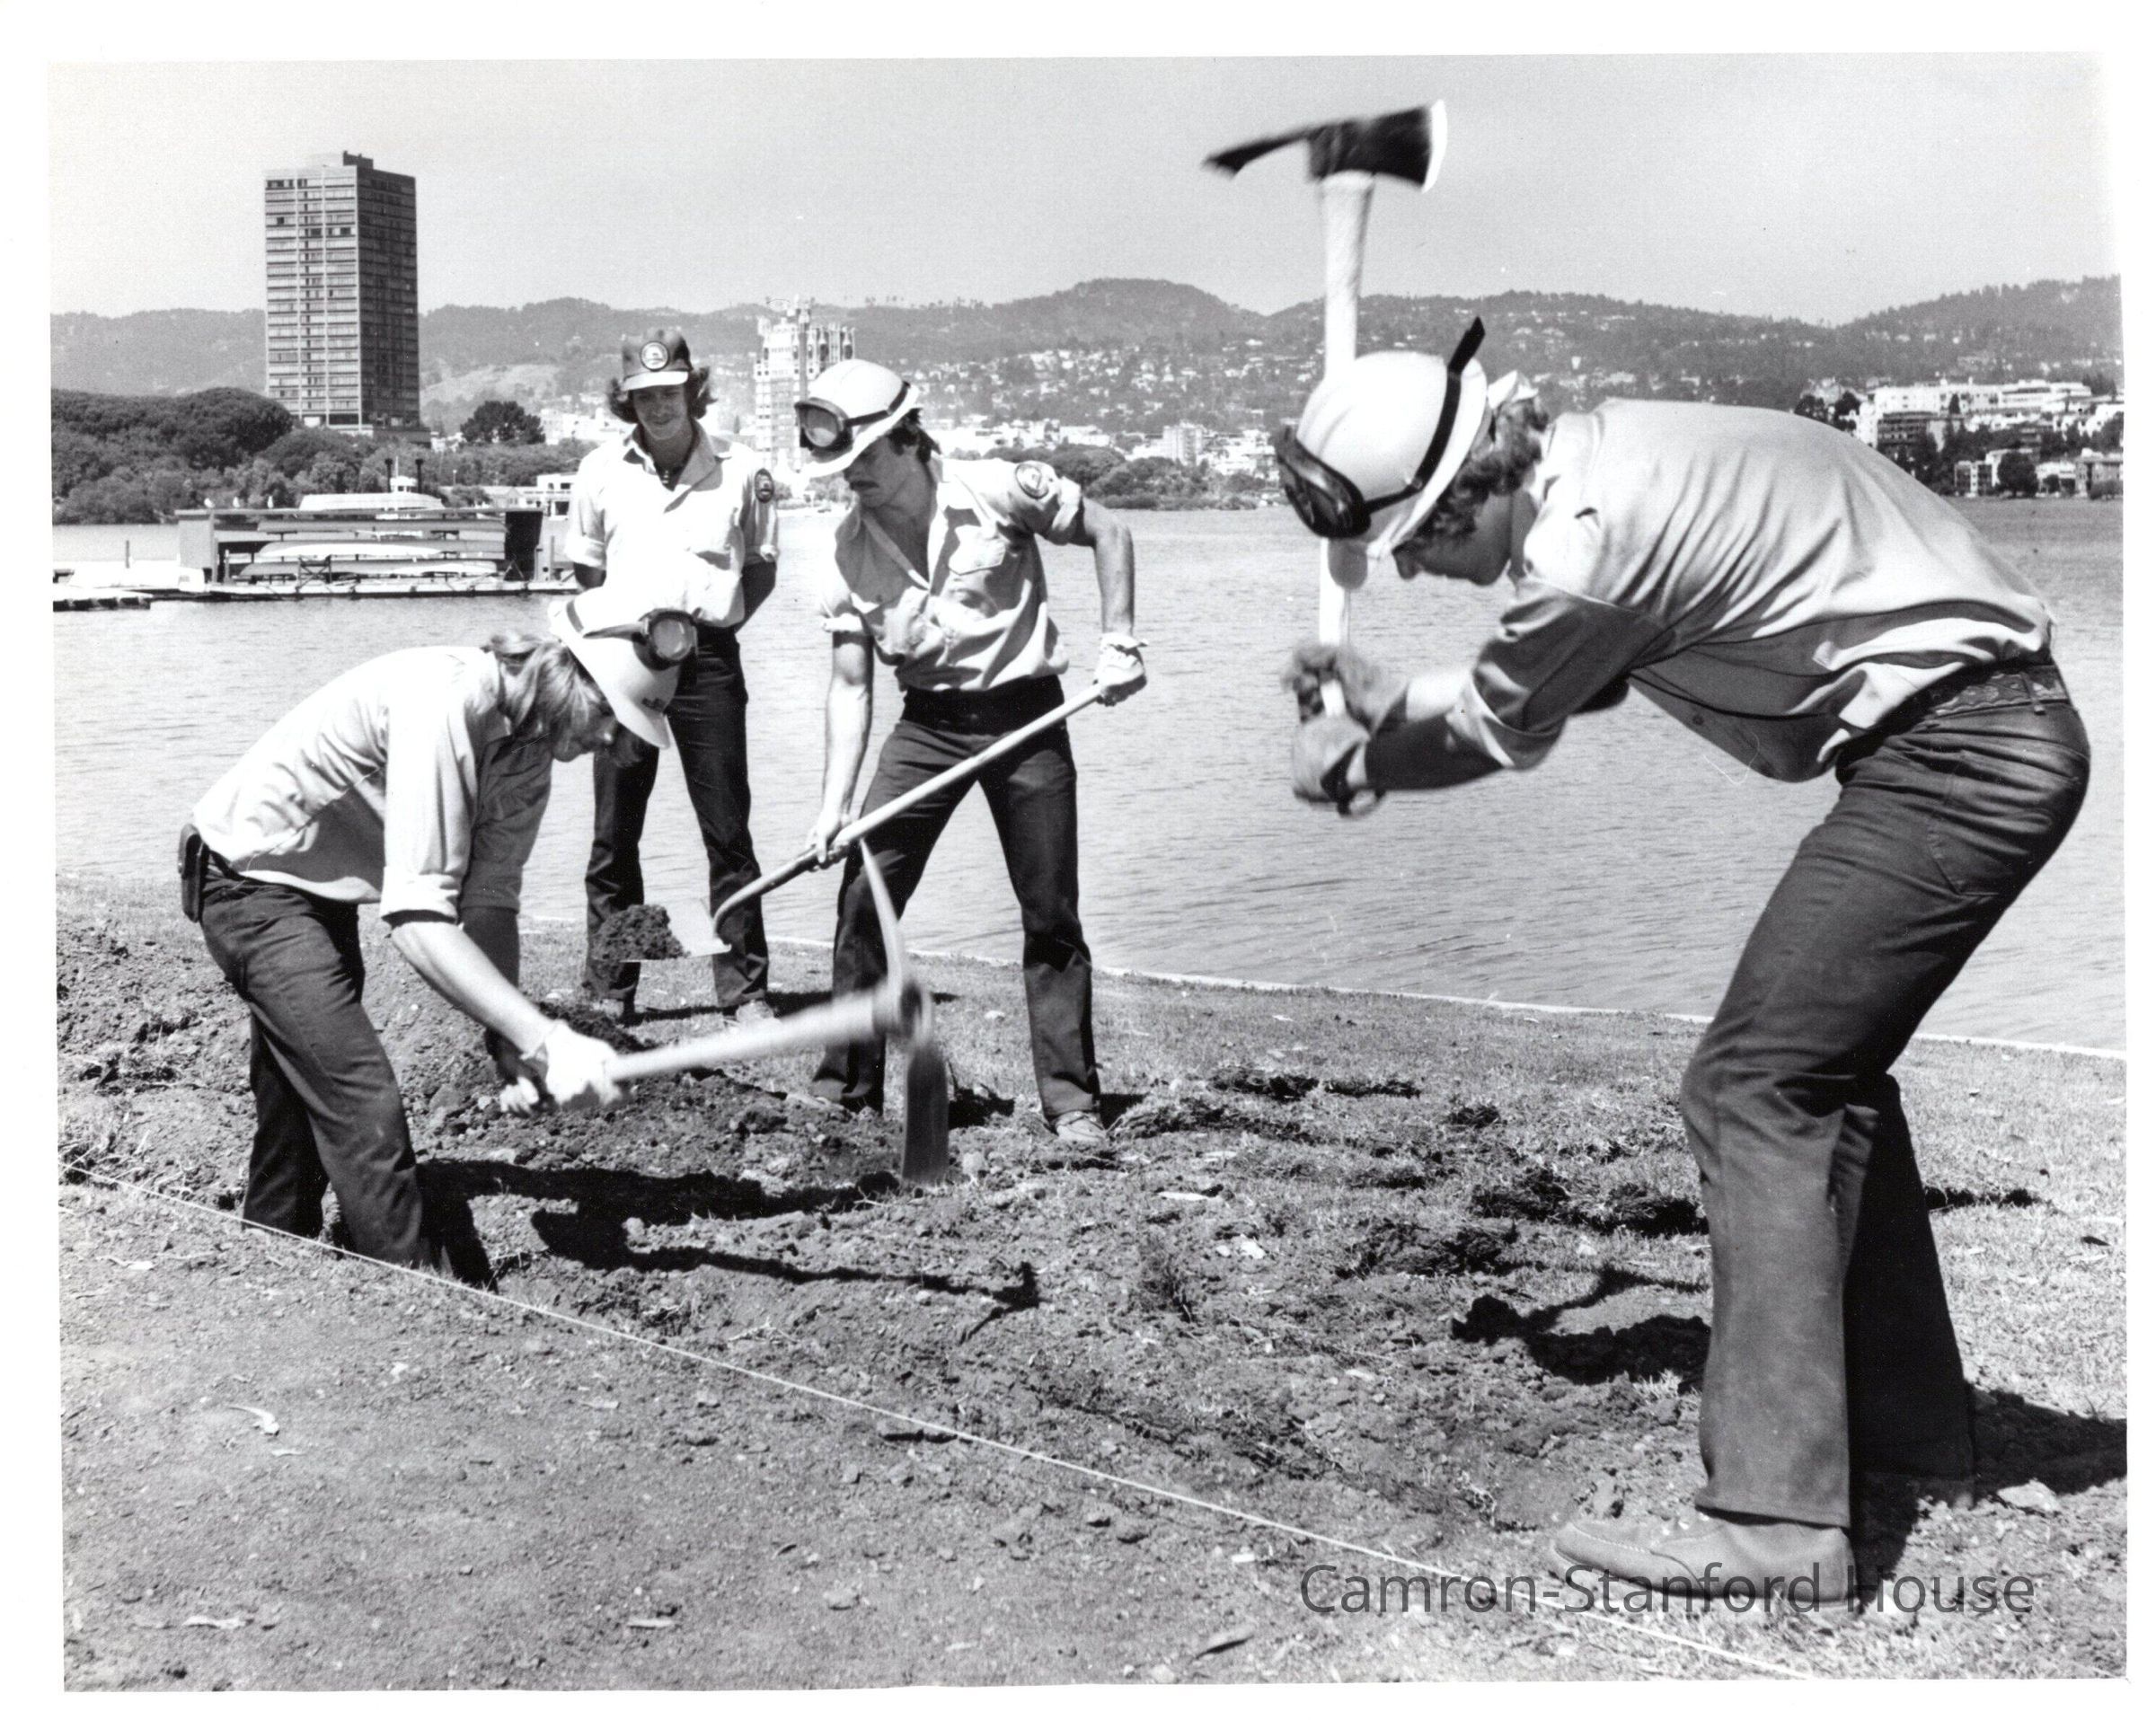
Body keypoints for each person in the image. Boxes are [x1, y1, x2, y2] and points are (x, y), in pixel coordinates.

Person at [1277, 317, 2088, 1600]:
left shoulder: (1589, 546)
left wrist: (1353, 763)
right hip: (1985, 732)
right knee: (1822, 1079)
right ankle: (1910, 1439)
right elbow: (1575, 676)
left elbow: (1501, 726)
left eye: (1421, 539)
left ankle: (1777, 1526)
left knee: (1753, 1087)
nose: (1421, 569)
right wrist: (1389, 703)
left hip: (1961, 761)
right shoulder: (1614, 458)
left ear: (1470, 488)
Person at [181, 584, 689, 1274]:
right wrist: (546, 1037)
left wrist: (509, 1040)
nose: (610, 738)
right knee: (361, 1099)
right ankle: (419, 1293)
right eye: (608, 712)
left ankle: (272, 1259)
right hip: (246, 879)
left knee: (302, 1094)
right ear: (565, 672)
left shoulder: (528, 749)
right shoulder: (445, 700)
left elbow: (489, 903)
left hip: (316, 889)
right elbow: (418, 915)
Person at [795, 359, 1146, 1145]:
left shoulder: (997, 489)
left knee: (1050, 911)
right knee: (864, 894)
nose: (850, 477)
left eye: (861, 458)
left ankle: (1072, 1103)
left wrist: (1119, 640)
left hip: (1027, 717)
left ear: (907, 438)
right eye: (838, 465)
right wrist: (833, 807)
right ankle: (845, 1090)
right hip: (927, 727)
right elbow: (850, 686)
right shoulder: (845, 550)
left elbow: (1109, 531)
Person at [567, 326, 781, 1026]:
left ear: (693, 389)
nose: (659, 405)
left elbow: (761, 569)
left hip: (709, 661)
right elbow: (588, 572)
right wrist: (629, 632)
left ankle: (744, 992)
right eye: (644, 395)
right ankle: (610, 988)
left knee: (728, 831)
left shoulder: (742, 469)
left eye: (670, 391)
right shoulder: (599, 471)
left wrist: (710, 629)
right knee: (614, 832)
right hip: (624, 660)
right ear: (626, 401)